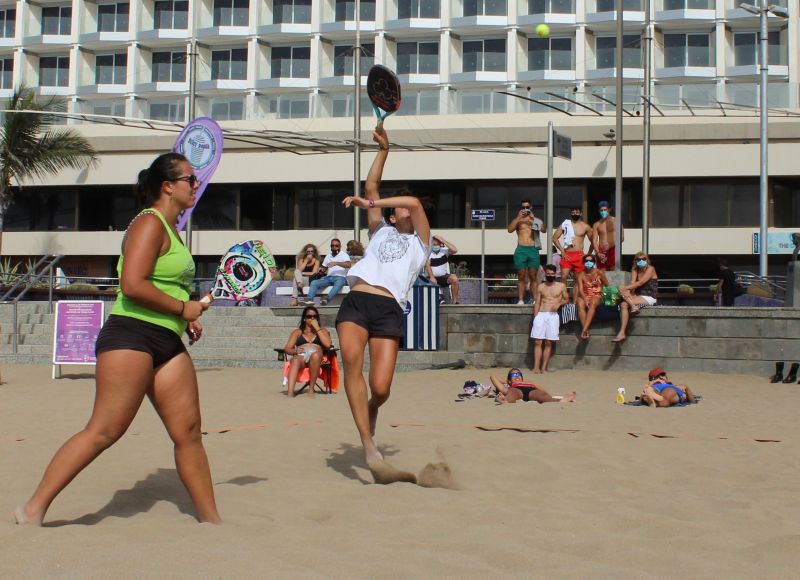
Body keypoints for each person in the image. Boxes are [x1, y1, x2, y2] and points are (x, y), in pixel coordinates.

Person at [15, 152, 221, 525]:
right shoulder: (149, 223)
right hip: (130, 335)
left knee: (189, 433)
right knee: (105, 430)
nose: (196, 185)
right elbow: (132, 285)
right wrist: (181, 308)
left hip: (167, 341)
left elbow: (163, 284)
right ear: (167, 186)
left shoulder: (172, 229)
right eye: (190, 179)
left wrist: (185, 314)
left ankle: (212, 522)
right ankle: (32, 508)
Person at [337, 124, 431, 485]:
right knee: (351, 365)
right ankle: (368, 447)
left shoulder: (420, 242)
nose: (405, 210)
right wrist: (383, 151)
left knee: (381, 388)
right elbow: (371, 187)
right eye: (399, 209)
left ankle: (372, 409)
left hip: (390, 309)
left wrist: (372, 203)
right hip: (358, 300)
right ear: (392, 218)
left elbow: (413, 202)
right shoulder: (380, 231)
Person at [282, 305, 333, 398]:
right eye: (309, 316)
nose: (312, 318)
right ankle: (290, 393)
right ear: (304, 319)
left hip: (316, 358)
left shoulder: (323, 331)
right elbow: (287, 348)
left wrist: (317, 328)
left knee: (315, 355)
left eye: (315, 316)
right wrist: (295, 351)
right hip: (301, 356)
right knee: (295, 360)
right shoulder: (297, 332)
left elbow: (328, 345)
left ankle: (311, 389)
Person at [531, 264, 569, 373]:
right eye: (548, 273)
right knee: (538, 341)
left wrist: (559, 303)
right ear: (545, 274)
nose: (550, 275)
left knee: (548, 342)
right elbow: (537, 302)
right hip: (541, 313)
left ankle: (544, 367)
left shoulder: (561, 286)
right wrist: (535, 316)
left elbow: (567, 299)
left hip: (553, 315)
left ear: (555, 274)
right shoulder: (541, 286)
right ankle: (536, 367)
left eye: (552, 274)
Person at [613, 251, 658, 343]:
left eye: (643, 259)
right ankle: (622, 333)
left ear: (647, 260)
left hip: (649, 296)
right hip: (637, 295)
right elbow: (633, 284)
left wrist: (625, 288)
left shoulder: (650, 269)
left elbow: (640, 283)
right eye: (639, 259)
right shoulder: (635, 269)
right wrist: (627, 292)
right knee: (623, 304)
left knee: (623, 290)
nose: (641, 261)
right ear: (635, 261)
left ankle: (633, 306)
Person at [507, 199, 544, 305]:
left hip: (533, 249)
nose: (525, 209)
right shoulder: (518, 220)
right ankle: (520, 300)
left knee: (533, 276)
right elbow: (509, 229)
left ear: (531, 207)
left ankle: (535, 300)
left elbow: (544, 229)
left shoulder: (535, 220)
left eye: (527, 207)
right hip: (521, 249)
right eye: (523, 207)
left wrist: (534, 218)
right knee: (521, 275)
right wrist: (519, 217)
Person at [553, 206, 596, 296]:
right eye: (573, 212)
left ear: (580, 214)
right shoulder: (565, 224)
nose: (575, 214)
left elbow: (593, 241)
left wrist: (588, 254)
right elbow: (554, 238)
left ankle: (575, 302)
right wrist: (562, 251)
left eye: (577, 212)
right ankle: (565, 298)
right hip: (567, 254)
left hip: (579, 255)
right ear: (570, 213)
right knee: (564, 277)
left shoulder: (585, 226)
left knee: (577, 279)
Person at [490, 368, 576, 404]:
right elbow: (492, 376)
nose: (516, 376)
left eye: (518, 374)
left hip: (531, 391)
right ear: (509, 380)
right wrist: (509, 383)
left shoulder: (529, 383)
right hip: (516, 390)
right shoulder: (510, 386)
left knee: (539, 394)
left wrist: (548, 395)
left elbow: (541, 389)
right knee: (513, 393)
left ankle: (561, 401)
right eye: (514, 375)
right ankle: (505, 400)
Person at [306, 238, 351, 306]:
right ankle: (310, 300)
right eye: (332, 246)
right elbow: (324, 268)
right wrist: (321, 271)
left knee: (339, 283)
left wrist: (336, 263)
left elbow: (348, 264)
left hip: (340, 277)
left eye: (336, 246)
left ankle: (326, 299)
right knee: (314, 282)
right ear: (330, 247)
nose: (334, 247)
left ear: (340, 246)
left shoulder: (344, 255)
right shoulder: (328, 256)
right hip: (329, 277)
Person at [576, 254, 611, 340]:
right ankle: (586, 330)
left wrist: (607, 296)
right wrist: (585, 299)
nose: (588, 263)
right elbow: (580, 289)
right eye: (586, 261)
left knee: (593, 302)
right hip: (585, 294)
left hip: (597, 295)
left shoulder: (599, 272)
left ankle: (584, 330)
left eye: (590, 261)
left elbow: (607, 285)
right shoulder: (580, 274)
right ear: (583, 263)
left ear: (594, 262)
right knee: (580, 303)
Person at [425, 234, 459, 304]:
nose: (435, 246)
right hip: (431, 277)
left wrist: (443, 240)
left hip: (443, 276)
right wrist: (432, 277)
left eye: (437, 244)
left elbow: (455, 250)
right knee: (433, 281)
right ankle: (440, 299)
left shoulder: (444, 251)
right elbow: (427, 265)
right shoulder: (428, 252)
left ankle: (454, 302)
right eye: (434, 244)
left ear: (440, 244)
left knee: (454, 279)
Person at [592, 200, 623, 271]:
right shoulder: (596, 224)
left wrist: (610, 245)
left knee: (614, 271)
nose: (603, 212)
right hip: (601, 251)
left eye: (605, 210)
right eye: (601, 210)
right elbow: (594, 240)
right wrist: (598, 253)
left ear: (609, 209)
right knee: (601, 273)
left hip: (613, 250)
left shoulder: (617, 221)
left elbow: (621, 237)